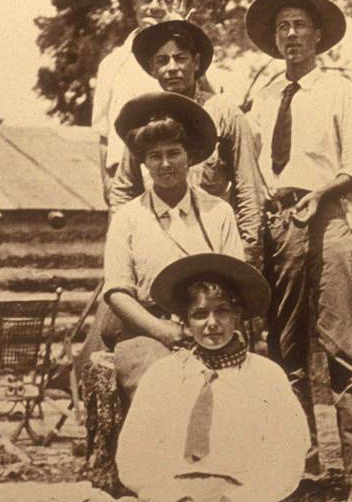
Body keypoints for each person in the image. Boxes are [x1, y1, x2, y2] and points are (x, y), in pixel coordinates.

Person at [244, 0, 352, 502]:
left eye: (300, 25)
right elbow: (252, 166)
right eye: (283, 28)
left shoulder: (338, 90)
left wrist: (319, 197)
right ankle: (301, 467)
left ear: (318, 35)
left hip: (327, 220)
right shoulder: (264, 95)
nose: (292, 35)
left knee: (344, 351)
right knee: (284, 354)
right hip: (279, 224)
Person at [117, 253, 308, 502]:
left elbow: (288, 452)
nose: (212, 323)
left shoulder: (266, 376)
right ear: (185, 321)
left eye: (222, 311)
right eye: (200, 314)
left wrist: (244, 497)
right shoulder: (162, 375)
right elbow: (134, 450)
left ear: (237, 315)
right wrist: (168, 495)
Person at [100, 91, 244, 401]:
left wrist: (210, 327)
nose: (165, 164)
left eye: (174, 153)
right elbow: (116, 293)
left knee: (240, 393)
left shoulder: (218, 212)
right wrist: (162, 331)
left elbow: (237, 284)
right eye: (155, 156)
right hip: (146, 334)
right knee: (165, 387)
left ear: (189, 157)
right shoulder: (128, 217)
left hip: (212, 328)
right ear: (144, 163)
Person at [122, 20, 264, 268]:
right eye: (162, 61)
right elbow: (123, 187)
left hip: (212, 238)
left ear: (196, 63)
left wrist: (247, 256)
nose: (172, 68)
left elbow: (248, 189)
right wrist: (125, 241)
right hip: (155, 239)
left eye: (180, 58)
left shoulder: (225, 113)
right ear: (152, 68)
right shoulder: (144, 115)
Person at [92, 0, 197, 208]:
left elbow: (205, 103)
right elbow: (103, 136)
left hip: (176, 175)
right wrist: (108, 183)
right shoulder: (113, 63)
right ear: (133, 5)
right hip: (126, 181)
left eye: (165, 1)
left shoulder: (190, 57)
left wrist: (178, 31)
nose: (155, 7)